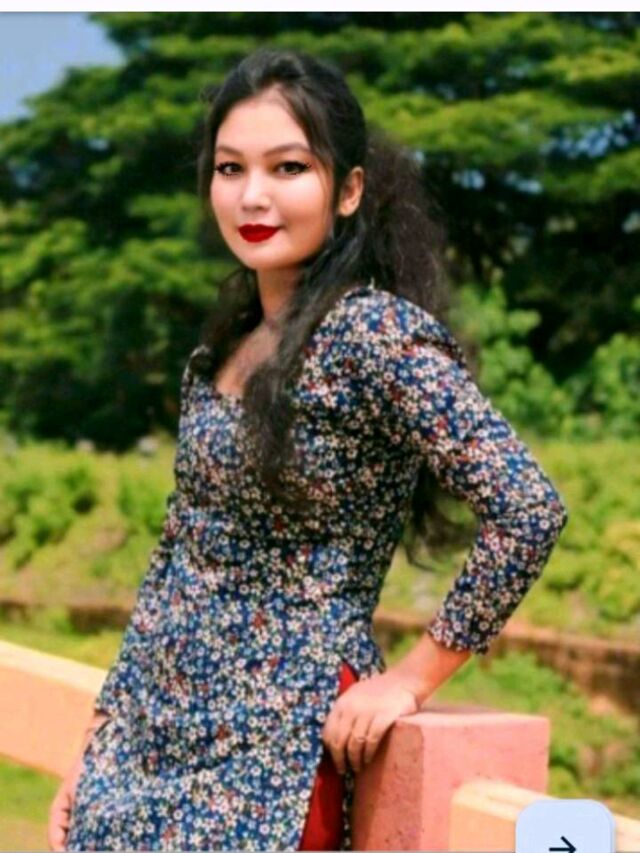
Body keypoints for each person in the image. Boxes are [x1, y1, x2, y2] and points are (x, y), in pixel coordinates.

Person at [51, 47, 569, 852]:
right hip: (150, 743)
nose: (253, 195)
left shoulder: (373, 335)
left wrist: (412, 678)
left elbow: (528, 508)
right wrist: (98, 744)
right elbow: (177, 559)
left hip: (274, 754)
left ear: (349, 189)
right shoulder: (222, 349)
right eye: (231, 168)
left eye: (288, 167)